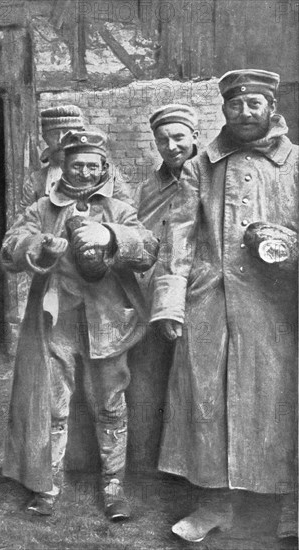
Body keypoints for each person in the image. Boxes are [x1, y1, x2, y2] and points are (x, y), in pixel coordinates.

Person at [151, 70, 298, 541]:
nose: (246, 113)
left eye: (255, 103)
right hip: (209, 302)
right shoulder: (201, 168)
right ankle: (213, 504)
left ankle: (289, 510)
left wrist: (288, 247)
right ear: (224, 110)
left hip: (275, 307)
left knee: (279, 405)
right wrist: (171, 303)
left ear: (272, 107)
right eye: (236, 105)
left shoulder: (295, 163)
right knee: (206, 403)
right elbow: (178, 238)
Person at [1, 130, 158, 521]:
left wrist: (111, 234)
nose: (85, 173)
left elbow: (149, 248)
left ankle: (113, 485)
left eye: (92, 166)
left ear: (104, 167)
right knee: (53, 405)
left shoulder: (118, 207)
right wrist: (38, 245)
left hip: (108, 318)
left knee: (109, 403)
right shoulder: (43, 207)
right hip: (58, 318)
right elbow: (9, 247)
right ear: (63, 168)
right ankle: (47, 484)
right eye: (77, 165)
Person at [127, 104, 199, 469]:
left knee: (192, 381)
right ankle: (146, 462)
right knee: (148, 374)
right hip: (153, 293)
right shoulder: (147, 188)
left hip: (199, 291)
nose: (171, 146)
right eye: (163, 140)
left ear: (194, 137)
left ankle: (187, 467)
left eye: (179, 138)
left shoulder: (211, 176)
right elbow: (138, 233)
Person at [21, 105, 132, 211]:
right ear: (45, 138)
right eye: (54, 134)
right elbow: (24, 221)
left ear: (81, 134)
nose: (60, 140)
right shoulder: (36, 180)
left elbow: (129, 215)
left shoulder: (110, 176)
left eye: (66, 132)